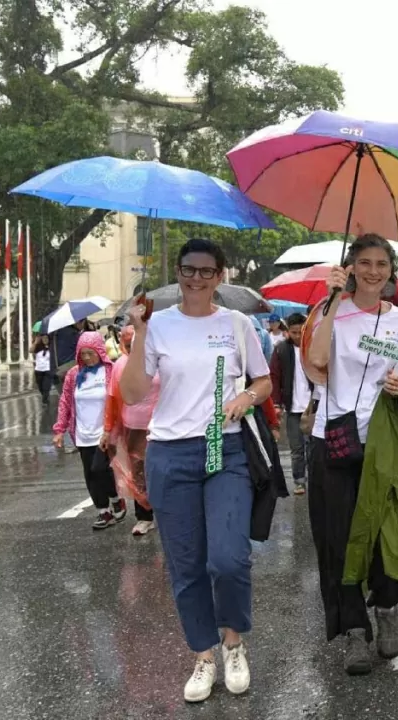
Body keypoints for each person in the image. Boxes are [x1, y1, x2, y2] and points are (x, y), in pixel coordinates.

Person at [121, 238, 271, 702]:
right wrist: (140, 332)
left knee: (228, 558)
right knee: (186, 566)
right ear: (179, 271)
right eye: (190, 269)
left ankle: (233, 642)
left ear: (220, 275)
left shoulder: (237, 324)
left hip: (222, 448)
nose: (197, 278)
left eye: (208, 271)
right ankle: (204, 656)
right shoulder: (158, 325)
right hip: (171, 452)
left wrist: (244, 398)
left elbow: (263, 381)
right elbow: (131, 393)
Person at [305, 233, 398, 676]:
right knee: (338, 536)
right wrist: (332, 301)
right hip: (333, 438)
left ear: (391, 269)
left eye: (382, 263)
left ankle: (387, 608)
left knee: (384, 530)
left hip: (383, 442)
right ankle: (353, 629)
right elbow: (317, 363)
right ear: (351, 266)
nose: (373, 270)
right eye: (365, 262)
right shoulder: (329, 309)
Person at [53, 332, 126, 530]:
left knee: (100, 468)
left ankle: (116, 497)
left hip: (106, 432)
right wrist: (59, 429)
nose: (86, 357)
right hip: (82, 433)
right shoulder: (74, 375)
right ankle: (104, 511)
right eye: (82, 353)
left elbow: (119, 400)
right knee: (90, 474)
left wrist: (115, 428)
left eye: (90, 353)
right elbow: (66, 402)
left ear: (100, 351)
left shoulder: (110, 371)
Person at [104, 326, 157, 535]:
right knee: (138, 474)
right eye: (128, 342)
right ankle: (144, 517)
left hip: (161, 427)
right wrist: (109, 431)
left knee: (161, 471)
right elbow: (112, 400)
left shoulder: (159, 361)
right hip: (133, 427)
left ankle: (168, 513)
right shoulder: (121, 365)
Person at [270, 312, 314, 495]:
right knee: (296, 449)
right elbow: (275, 377)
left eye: (301, 331)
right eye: (294, 332)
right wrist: (277, 404)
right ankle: (299, 481)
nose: (298, 336)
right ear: (288, 331)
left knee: (313, 447)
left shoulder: (313, 347)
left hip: (312, 407)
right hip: (293, 407)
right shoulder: (281, 350)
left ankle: (315, 479)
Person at [32, 334, 54, 405]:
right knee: (40, 387)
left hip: (48, 370)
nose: (45, 339)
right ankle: (45, 396)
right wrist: (35, 342)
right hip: (38, 370)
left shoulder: (51, 348)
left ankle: (45, 399)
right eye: (43, 338)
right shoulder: (38, 347)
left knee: (46, 386)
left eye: (46, 338)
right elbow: (30, 350)